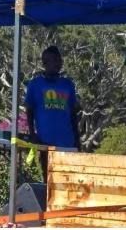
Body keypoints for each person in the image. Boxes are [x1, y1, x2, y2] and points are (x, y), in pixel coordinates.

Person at [25, 46, 81, 175]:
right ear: (45, 63)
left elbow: (73, 114)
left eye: (59, 60)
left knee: (68, 180)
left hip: (67, 142)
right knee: (49, 181)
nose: (58, 63)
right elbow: (29, 111)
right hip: (46, 142)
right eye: (54, 60)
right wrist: (32, 134)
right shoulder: (35, 84)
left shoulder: (68, 84)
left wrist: (77, 141)